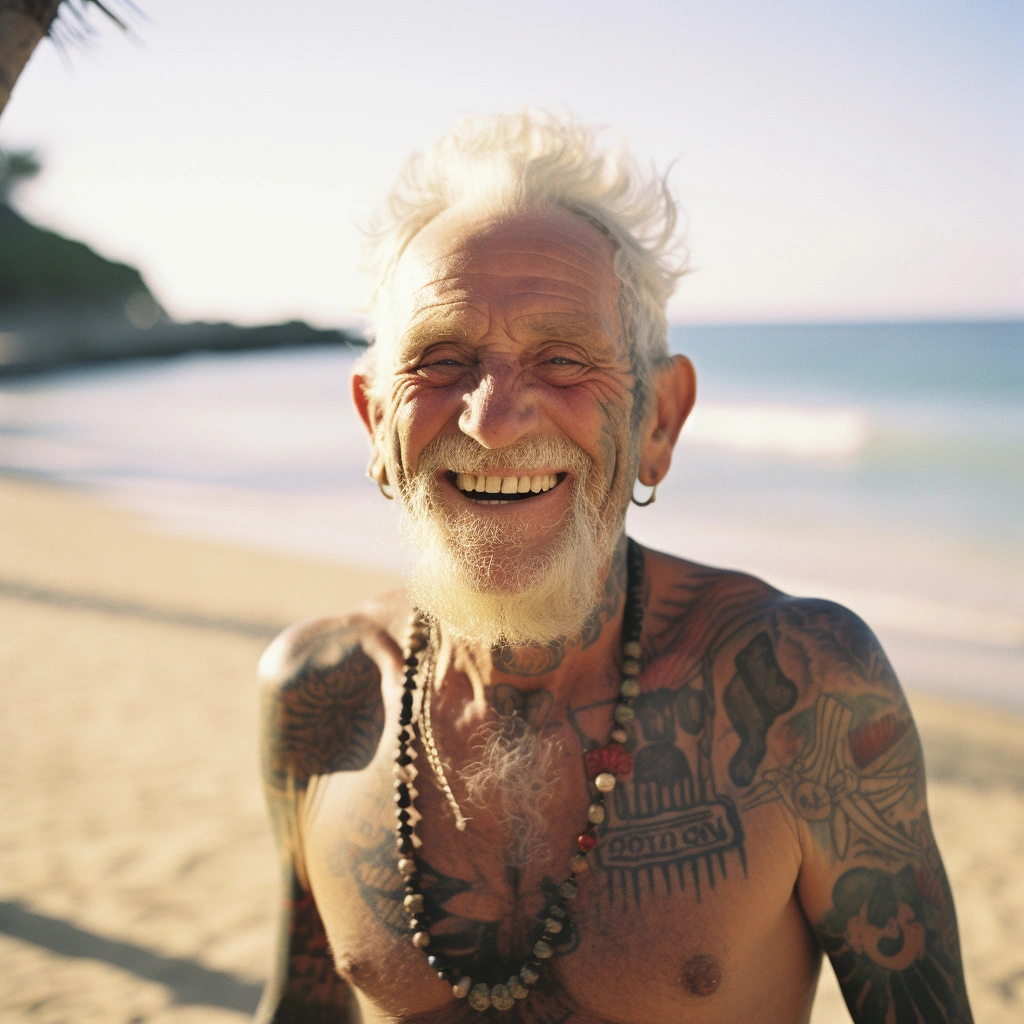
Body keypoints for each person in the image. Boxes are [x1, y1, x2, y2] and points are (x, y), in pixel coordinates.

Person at [255, 111, 973, 1024]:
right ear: (373, 425)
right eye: (441, 360)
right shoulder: (320, 693)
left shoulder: (804, 683)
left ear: (659, 422)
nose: (492, 418)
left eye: (562, 360)